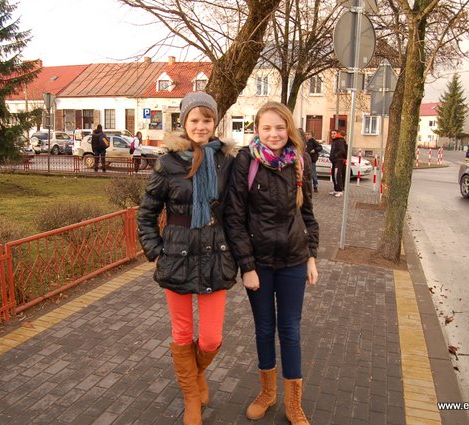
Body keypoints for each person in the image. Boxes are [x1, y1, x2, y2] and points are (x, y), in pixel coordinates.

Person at [137, 92, 237, 425]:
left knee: (211, 338)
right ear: (184, 122)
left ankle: (195, 374)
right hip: (177, 256)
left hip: (215, 255)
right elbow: (147, 213)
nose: (200, 126)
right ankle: (191, 397)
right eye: (194, 120)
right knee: (182, 334)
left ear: (215, 122)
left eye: (207, 120)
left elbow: (236, 210)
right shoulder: (168, 163)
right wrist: (155, 252)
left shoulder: (226, 160)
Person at [225, 101, 319, 425]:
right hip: (260, 265)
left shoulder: (300, 161)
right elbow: (234, 218)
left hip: (294, 260)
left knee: (290, 330)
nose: (274, 134)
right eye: (266, 128)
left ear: (289, 129)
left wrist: (311, 256)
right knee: (264, 329)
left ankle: (294, 403)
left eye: (280, 127)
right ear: (257, 130)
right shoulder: (246, 161)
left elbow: (307, 215)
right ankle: (267, 393)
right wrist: (247, 266)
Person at [329, 130, 348, 197]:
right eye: (332, 133)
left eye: (334, 133)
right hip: (335, 161)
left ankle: (340, 190)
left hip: (339, 161)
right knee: (333, 175)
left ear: (337, 134)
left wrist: (335, 155)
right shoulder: (334, 141)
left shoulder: (340, 141)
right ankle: (336, 189)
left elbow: (342, 150)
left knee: (337, 175)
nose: (332, 135)